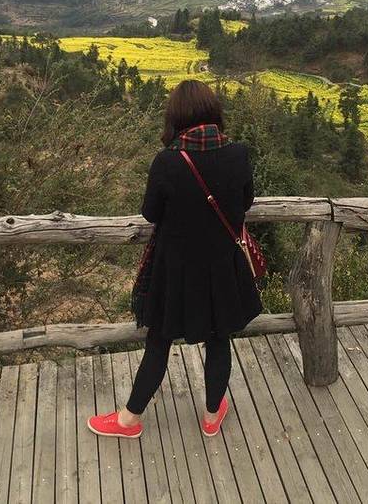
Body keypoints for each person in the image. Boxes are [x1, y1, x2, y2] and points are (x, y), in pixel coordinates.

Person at [87, 79, 262, 438]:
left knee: (159, 342)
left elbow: (151, 213)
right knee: (219, 340)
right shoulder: (238, 154)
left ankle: (128, 420)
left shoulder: (167, 161)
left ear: (176, 117)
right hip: (222, 267)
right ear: (213, 112)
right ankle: (212, 416)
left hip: (176, 271)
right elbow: (244, 204)